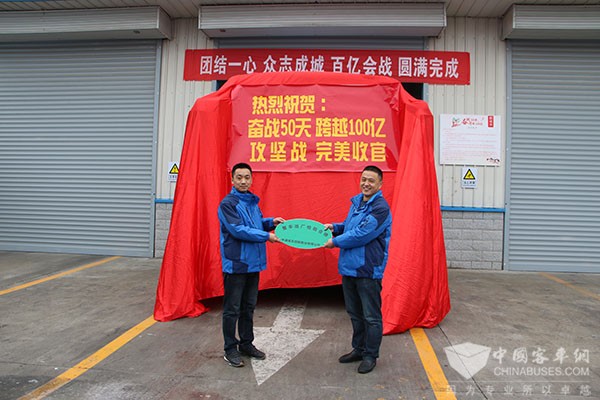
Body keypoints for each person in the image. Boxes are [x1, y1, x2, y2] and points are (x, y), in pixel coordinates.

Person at [324, 165, 392, 374]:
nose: (366, 184)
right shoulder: (358, 203)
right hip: (349, 268)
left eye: (371, 181)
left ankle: (370, 355)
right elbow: (350, 226)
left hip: (367, 269)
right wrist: (335, 227)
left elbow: (362, 234)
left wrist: (334, 242)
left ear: (380, 184)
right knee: (355, 313)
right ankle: (359, 349)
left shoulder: (380, 208)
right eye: (364, 179)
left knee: (371, 316)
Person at [218, 162, 284, 367]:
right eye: (239, 177)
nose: (243, 181)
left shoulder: (252, 202)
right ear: (232, 180)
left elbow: (254, 224)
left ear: (251, 179)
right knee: (232, 309)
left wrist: (271, 222)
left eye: (247, 177)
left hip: (253, 264)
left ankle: (246, 344)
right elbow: (238, 230)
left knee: (248, 307)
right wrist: (267, 236)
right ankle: (230, 348)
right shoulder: (228, 204)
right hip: (236, 263)